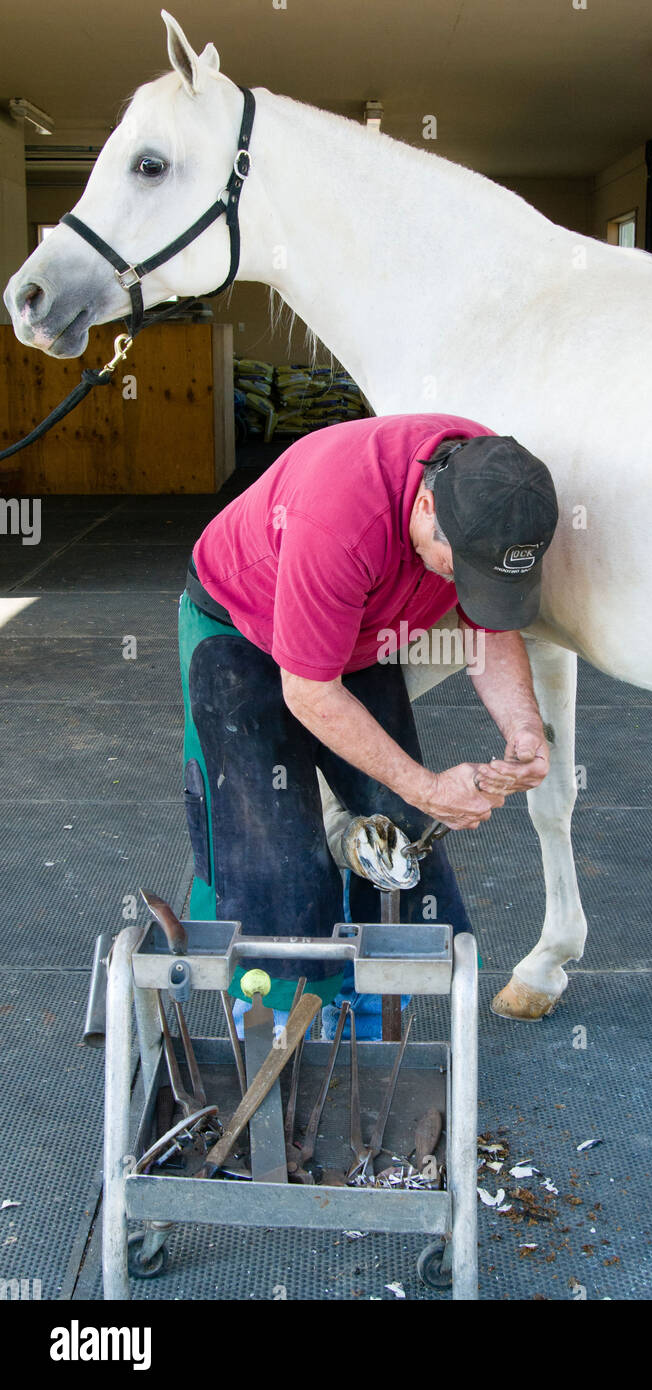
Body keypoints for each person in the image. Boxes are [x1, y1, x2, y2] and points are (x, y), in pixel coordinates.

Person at [178, 412, 559, 1036]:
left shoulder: (492, 485)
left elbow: (489, 629)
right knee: (270, 846)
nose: (466, 589)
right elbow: (309, 692)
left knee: (399, 831)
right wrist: (430, 786)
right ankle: (277, 1024)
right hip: (241, 625)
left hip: (358, 625)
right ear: (428, 505)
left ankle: (370, 1017)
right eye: (460, 570)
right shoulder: (339, 519)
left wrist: (525, 729)